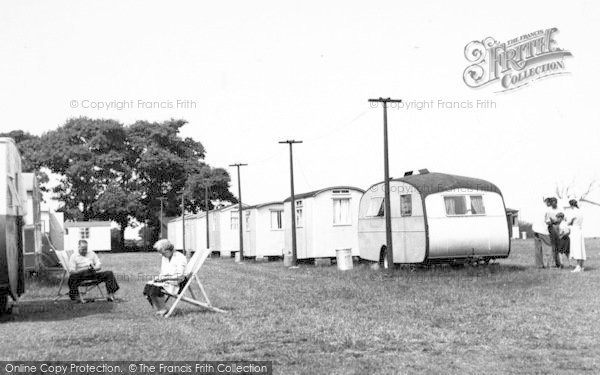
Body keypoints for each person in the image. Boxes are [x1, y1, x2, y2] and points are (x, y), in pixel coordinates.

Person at [143, 239, 188, 315]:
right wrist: (158, 278)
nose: (161, 255)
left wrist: (165, 278)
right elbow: (163, 272)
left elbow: (180, 276)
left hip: (178, 282)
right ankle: (160, 309)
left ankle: (163, 309)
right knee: (149, 285)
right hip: (168, 280)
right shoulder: (165, 257)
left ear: (167, 251)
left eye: (162, 253)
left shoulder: (180, 258)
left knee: (155, 288)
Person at [567, 199, 586, 272]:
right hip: (580, 229)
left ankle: (578, 266)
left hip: (575, 230)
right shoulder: (580, 212)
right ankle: (581, 266)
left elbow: (569, 222)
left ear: (571, 205)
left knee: (577, 248)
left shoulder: (574, 212)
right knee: (580, 248)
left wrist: (568, 222)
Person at [532, 198, 552, 268]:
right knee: (549, 246)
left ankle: (539, 265)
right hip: (543, 230)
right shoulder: (547, 209)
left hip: (535, 229)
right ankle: (550, 265)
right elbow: (548, 221)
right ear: (548, 202)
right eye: (550, 202)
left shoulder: (537, 207)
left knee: (538, 248)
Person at [544, 197, 562, 268]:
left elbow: (561, 219)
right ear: (551, 203)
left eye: (555, 202)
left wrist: (555, 220)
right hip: (552, 228)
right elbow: (547, 221)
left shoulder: (559, 209)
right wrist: (553, 221)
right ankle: (553, 263)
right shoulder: (548, 211)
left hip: (558, 228)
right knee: (553, 246)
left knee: (558, 247)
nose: (554, 203)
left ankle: (558, 263)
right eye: (553, 202)